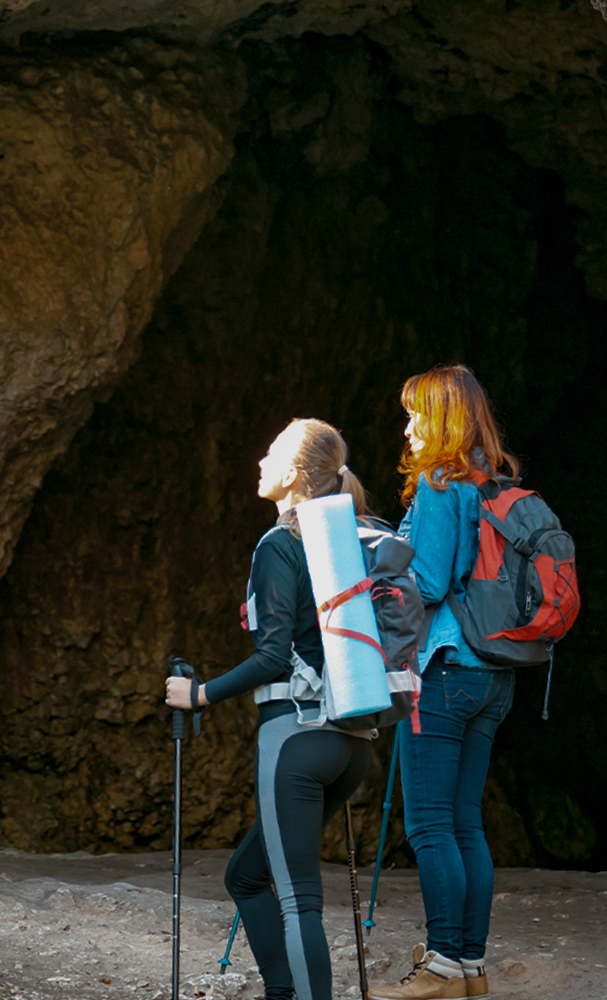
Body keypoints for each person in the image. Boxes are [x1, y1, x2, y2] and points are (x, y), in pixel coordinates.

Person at [163, 418, 375, 1000]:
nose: (260, 459)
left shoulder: (281, 542)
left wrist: (200, 694)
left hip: (296, 740)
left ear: (292, 474)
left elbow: (274, 655)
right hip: (351, 740)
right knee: (247, 877)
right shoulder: (344, 542)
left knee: (298, 899)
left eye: (273, 451)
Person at [368, 365, 519, 1000]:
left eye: (415, 413)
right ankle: (469, 965)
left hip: (444, 668)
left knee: (430, 824)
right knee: (465, 823)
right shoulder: (496, 482)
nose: (408, 425)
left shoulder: (440, 482)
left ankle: (441, 968)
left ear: (443, 418)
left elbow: (426, 584)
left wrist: (375, 573)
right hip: (494, 676)